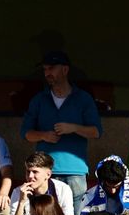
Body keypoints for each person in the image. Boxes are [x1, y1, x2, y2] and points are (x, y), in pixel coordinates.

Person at [21, 51, 101, 200]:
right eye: (45, 69)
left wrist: (74, 128)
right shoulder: (39, 99)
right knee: (44, 214)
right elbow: (26, 133)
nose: (47, 73)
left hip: (75, 171)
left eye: (51, 68)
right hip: (44, 173)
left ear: (65, 70)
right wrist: (44, 135)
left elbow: (96, 132)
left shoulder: (83, 98)